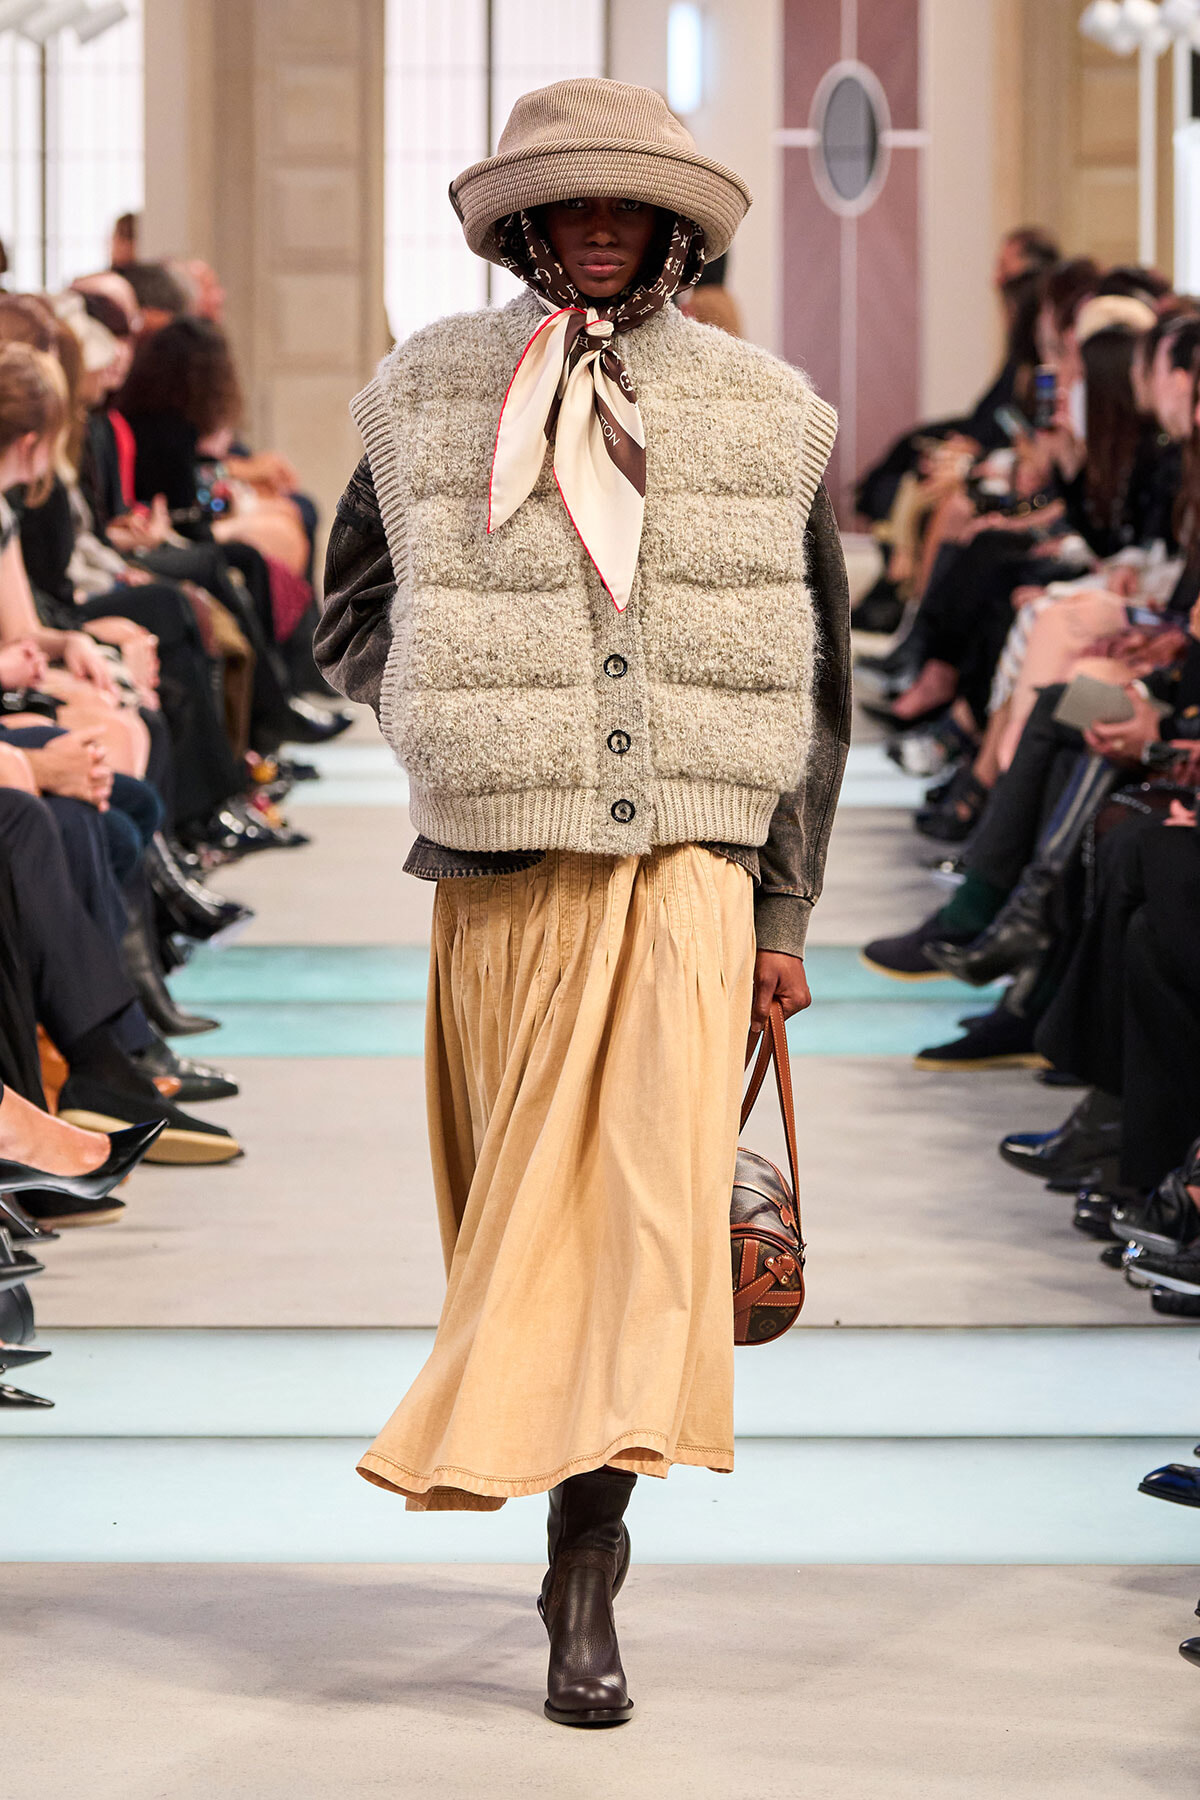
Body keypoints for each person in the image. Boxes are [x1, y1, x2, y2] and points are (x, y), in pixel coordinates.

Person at [316, 78, 850, 1727]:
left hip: (688, 881)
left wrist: (780, 916)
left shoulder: (770, 414)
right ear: (530, 225)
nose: (603, 224)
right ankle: (570, 1539)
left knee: (635, 1232)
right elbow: (345, 614)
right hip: (507, 883)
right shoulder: (424, 395)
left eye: (630, 199)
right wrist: (446, 717)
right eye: (572, 200)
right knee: (524, 1230)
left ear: (675, 226)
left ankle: (587, 1568)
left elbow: (815, 686)